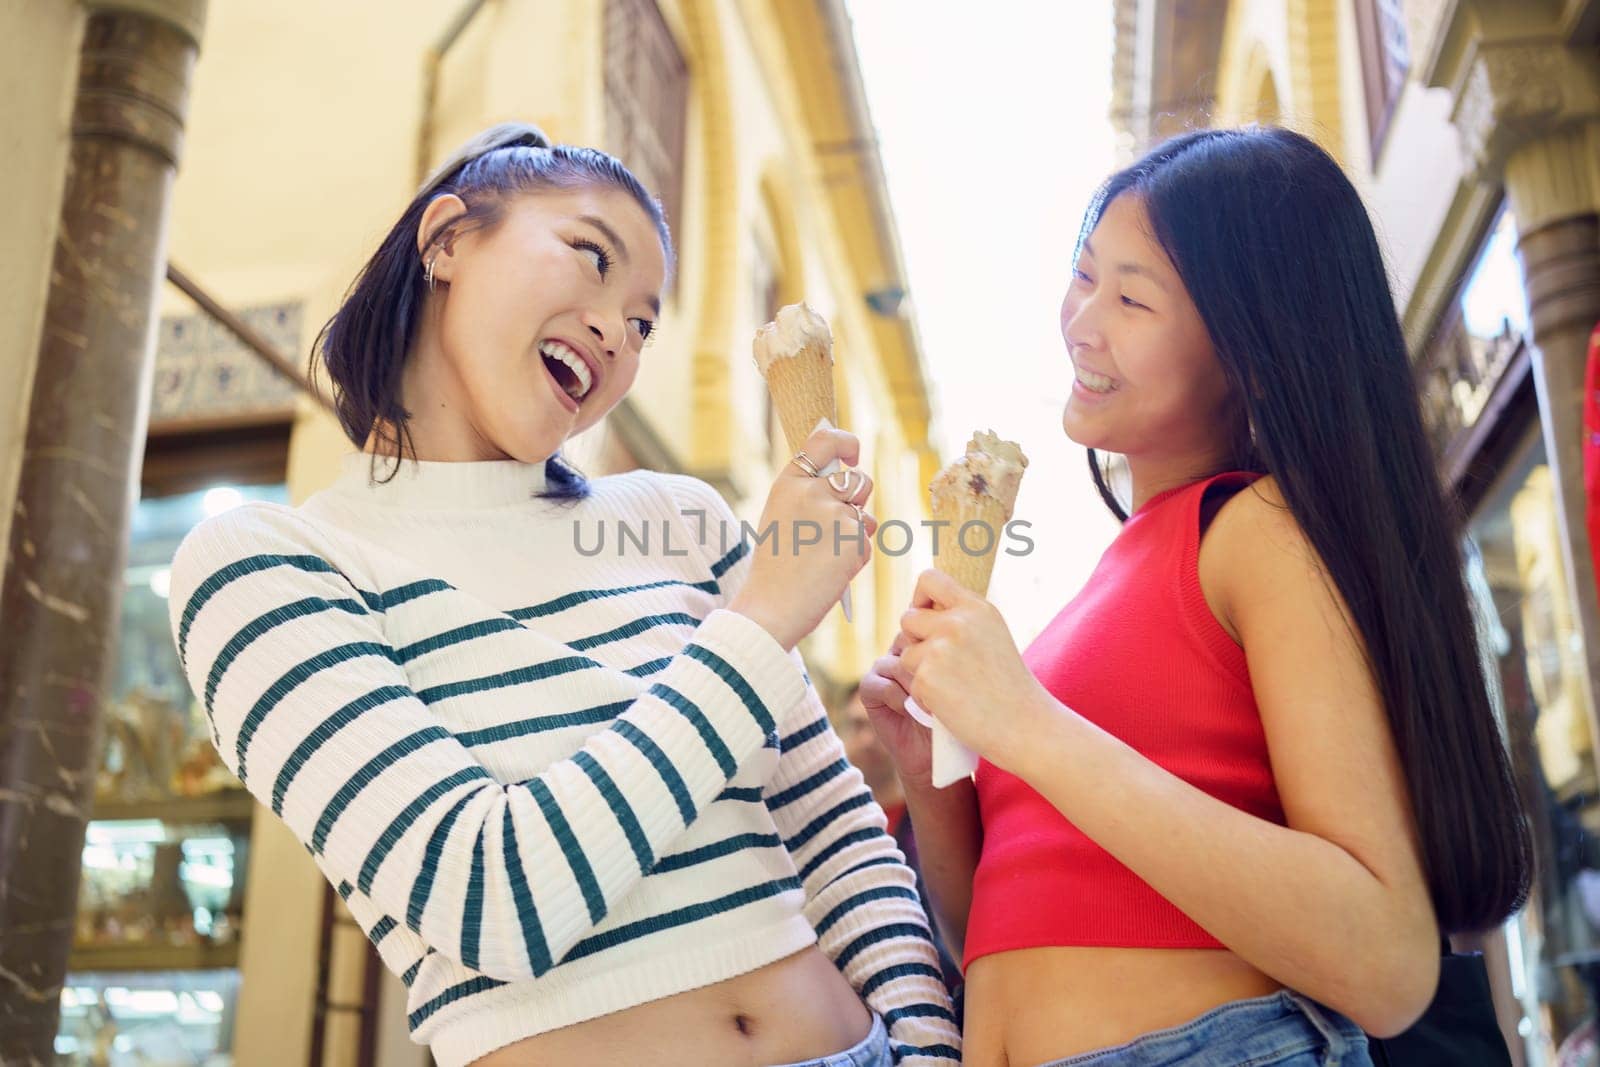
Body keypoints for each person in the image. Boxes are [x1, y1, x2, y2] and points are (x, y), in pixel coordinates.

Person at [167, 123, 959, 1067]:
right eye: (591, 257)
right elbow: (491, 902)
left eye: (643, 321)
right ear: (447, 239)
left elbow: (834, 837)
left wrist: (926, 1047)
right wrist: (762, 622)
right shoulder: (268, 565)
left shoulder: (677, 518)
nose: (618, 335)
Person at [861, 126, 1532, 1067]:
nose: (1082, 320)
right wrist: (936, 779)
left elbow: (1384, 957)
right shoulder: (1098, 589)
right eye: (1085, 273)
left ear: (1252, 353)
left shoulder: (1254, 530)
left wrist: (1025, 722)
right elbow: (1001, 934)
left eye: (1133, 297)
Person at [837, 684, 961, 994]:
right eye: (856, 725)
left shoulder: (933, 827)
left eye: (875, 726)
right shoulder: (839, 826)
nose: (866, 740)